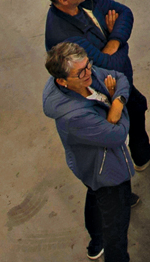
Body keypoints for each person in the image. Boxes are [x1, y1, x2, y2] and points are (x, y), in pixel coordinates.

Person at [44, 0, 150, 170]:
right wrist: (120, 42)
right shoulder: (64, 37)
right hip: (98, 92)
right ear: (64, 0)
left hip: (115, 80)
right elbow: (111, 65)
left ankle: (140, 154)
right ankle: (118, 181)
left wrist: (113, 41)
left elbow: (125, 12)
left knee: (137, 106)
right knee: (114, 134)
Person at [43, 42, 138, 262]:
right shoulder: (74, 116)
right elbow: (117, 135)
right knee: (116, 230)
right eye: (81, 72)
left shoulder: (81, 74)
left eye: (88, 65)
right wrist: (118, 108)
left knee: (95, 196)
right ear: (62, 81)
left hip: (93, 165)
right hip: (107, 171)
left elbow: (120, 77)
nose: (89, 73)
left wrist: (117, 102)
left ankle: (96, 242)